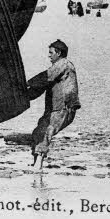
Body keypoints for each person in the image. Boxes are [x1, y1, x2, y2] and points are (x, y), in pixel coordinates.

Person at [27, 39, 80, 167]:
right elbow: (40, 87)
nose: (49, 55)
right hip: (54, 109)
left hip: (63, 108)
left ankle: (38, 166)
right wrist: (25, 95)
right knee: (38, 131)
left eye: (51, 52)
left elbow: (45, 77)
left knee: (45, 131)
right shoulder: (59, 67)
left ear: (59, 53)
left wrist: (25, 84)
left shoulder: (64, 64)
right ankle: (36, 163)